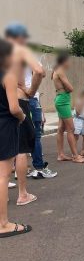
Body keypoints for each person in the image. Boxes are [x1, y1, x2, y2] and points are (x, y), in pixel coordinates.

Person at [6, 23, 44, 205]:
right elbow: (39, 71)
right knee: (21, 149)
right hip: (19, 100)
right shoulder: (20, 51)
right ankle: (22, 194)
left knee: (4, 149)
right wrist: (30, 90)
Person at [0, 38, 32, 237]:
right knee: (3, 175)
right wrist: (21, 117)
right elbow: (14, 107)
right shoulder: (8, 76)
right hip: (5, 126)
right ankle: (3, 224)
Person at [52, 53, 84, 164]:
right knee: (71, 129)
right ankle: (75, 156)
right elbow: (70, 88)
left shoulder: (56, 70)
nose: (69, 63)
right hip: (63, 101)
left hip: (61, 99)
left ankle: (61, 154)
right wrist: (68, 89)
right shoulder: (60, 71)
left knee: (61, 128)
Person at [26, 65, 57, 179]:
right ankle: (39, 168)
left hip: (16, 99)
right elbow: (41, 72)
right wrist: (31, 92)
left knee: (19, 138)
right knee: (36, 136)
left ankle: (20, 169)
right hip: (30, 98)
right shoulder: (25, 55)